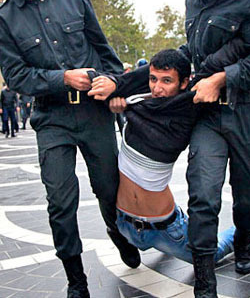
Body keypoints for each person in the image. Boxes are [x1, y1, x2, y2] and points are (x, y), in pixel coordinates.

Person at [0, 0, 140, 297]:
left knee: (109, 189)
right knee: (60, 200)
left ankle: (115, 231)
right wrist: (62, 78)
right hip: (52, 118)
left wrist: (113, 82)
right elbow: (18, 76)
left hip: (93, 112)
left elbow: (105, 53)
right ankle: (76, 279)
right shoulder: (3, 20)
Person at [158, 0, 250, 297]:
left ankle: (244, 236)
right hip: (207, 117)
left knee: (248, 195)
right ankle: (205, 280)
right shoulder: (192, 2)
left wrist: (222, 78)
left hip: (248, 112)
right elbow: (195, 53)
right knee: (203, 194)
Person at [89, 49, 237, 266]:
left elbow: (220, 61)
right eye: (153, 79)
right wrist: (115, 100)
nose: (157, 88)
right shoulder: (136, 98)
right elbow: (119, 85)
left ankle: (242, 232)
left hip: (165, 230)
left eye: (167, 81)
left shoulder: (189, 106)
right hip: (123, 223)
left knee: (210, 256)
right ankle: (119, 236)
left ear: (184, 82)